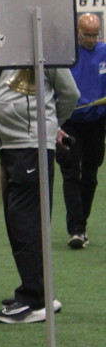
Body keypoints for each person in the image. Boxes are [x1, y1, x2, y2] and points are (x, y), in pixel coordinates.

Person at [0, 59, 78, 324]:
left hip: (30, 146)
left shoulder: (43, 47)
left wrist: (48, 125)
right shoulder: (7, 49)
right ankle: (36, 291)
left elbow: (70, 93)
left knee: (26, 223)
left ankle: (34, 300)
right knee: (18, 223)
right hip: (12, 146)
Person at [56, 13, 106, 249]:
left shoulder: (104, 52)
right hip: (69, 122)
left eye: (95, 35)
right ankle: (76, 229)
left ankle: (81, 224)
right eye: (87, 35)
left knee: (90, 176)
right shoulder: (65, 55)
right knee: (70, 173)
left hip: (96, 123)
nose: (91, 39)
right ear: (77, 32)